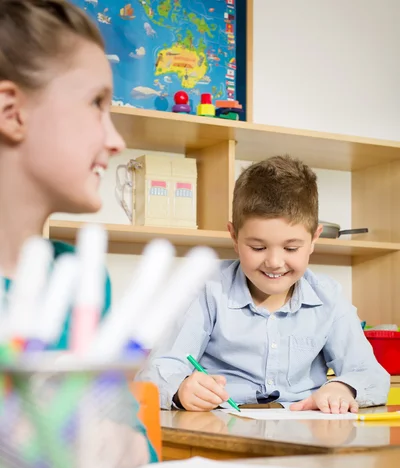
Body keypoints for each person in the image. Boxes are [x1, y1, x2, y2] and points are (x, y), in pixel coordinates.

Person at [0, 0, 156, 463]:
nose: (116, 140)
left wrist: (105, 440)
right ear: (12, 112)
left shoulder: (82, 277)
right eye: (96, 104)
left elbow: (137, 450)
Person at [136, 155, 389, 413]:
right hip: (221, 429)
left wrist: (344, 388)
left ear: (314, 239)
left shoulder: (329, 297)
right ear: (234, 236)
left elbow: (372, 375)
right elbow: (155, 372)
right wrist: (181, 389)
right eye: (258, 247)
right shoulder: (207, 290)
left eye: (291, 247)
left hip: (302, 434)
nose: (274, 262)